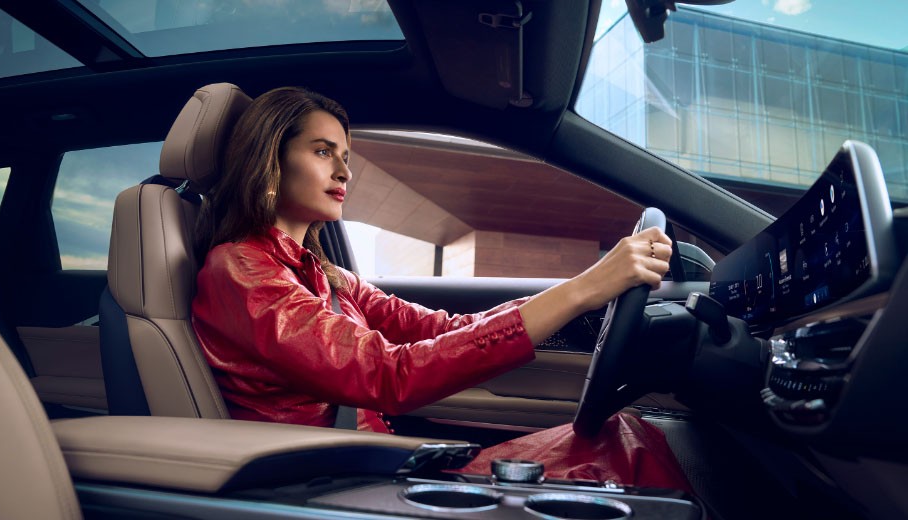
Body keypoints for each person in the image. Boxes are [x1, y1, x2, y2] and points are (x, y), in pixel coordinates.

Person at [191, 86, 691, 490]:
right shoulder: (242, 271)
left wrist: (579, 293)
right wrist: (583, 289)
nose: (345, 172)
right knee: (629, 457)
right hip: (326, 481)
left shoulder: (325, 274)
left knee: (623, 437)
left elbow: (446, 329)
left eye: (346, 156)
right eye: (323, 152)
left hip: (371, 462)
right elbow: (388, 374)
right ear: (270, 160)